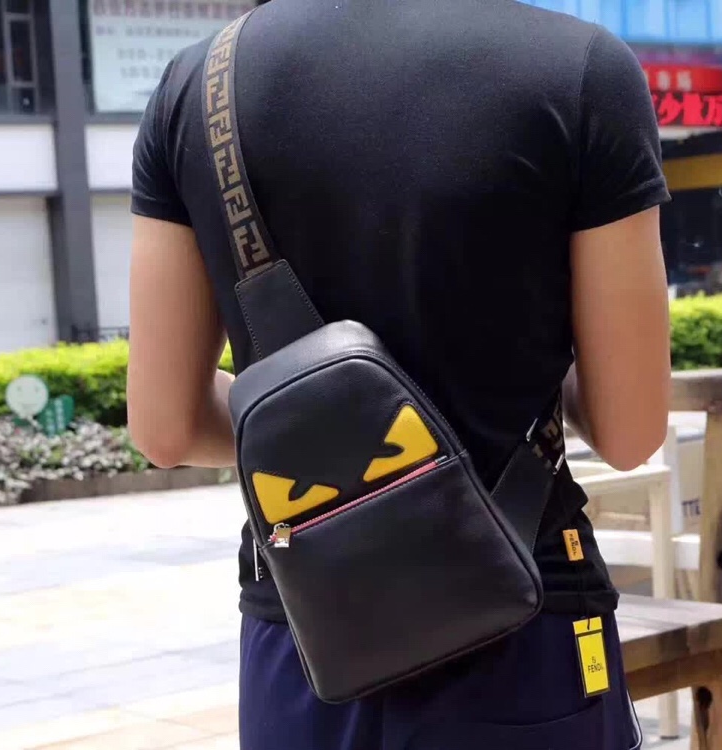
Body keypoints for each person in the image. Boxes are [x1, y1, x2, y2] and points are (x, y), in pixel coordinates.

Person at [127, 0, 671, 747]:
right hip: (519, 617)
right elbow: (630, 429)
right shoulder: (580, 70)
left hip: (309, 634)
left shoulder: (198, 85)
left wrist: (339, 444)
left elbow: (166, 426)